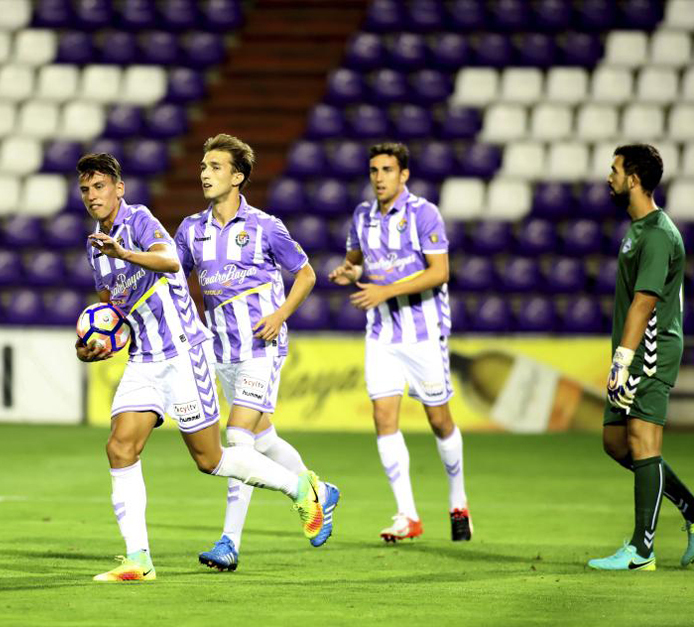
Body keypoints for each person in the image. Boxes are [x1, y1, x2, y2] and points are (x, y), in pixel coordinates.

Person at [76, 153, 332, 582]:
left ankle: (300, 487)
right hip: (144, 359)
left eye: (99, 186)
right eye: (85, 189)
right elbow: (110, 304)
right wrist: (97, 340)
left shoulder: (138, 221)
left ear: (118, 189)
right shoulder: (94, 247)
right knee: (120, 447)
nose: (92, 196)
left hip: (183, 353)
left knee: (211, 458)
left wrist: (126, 252)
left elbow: (170, 261)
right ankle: (138, 558)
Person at [174, 134, 339, 571]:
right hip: (220, 350)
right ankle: (317, 490)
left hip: (260, 347)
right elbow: (172, 282)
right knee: (263, 439)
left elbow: (305, 274)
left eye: (214, 166)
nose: (204, 173)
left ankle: (229, 542)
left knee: (238, 439)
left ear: (238, 176)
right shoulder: (191, 230)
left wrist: (282, 314)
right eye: (203, 165)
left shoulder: (265, 226)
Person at [328, 142, 471, 542]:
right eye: (374, 170)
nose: (379, 177)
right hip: (382, 335)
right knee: (383, 418)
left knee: (439, 420)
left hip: (424, 334)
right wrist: (348, 270)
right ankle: (407, 515)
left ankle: (458, 501)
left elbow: (439, 272)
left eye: (387, 170)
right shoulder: (362, 216)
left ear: (403, 174)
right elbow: (358, 260)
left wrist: (384, 290)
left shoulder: (424, 213)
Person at [588, 144, 694, 571]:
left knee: (643, 443)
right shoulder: (639, 229)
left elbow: (645, 303)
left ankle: (642, 550)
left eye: (614, 170)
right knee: (615, 443)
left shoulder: (658, 234)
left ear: (632, 178)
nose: (608, 177)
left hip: (649, 351)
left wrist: (622, 361)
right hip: (633, 351)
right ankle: (690, 508)